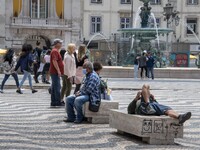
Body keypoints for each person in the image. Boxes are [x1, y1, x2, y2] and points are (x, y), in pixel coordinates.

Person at [127, 84, 192, 124]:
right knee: (145, 85)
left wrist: (154, 99)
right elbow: (129, 110)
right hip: (144, 108)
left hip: (152, 108)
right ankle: (147, 105)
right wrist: (136, 98)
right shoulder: (139, 101)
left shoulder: (152, 101)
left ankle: (180, 117)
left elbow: (156, 106)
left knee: (167, 110)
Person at [49, 38, 64, 107]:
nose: (61, 44)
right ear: (57, 44)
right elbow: (54, 61)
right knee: (57, 87)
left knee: (54, 88)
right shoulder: (55, 51)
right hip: (55, 72)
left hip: (54, 72)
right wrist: (58, 71)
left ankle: (53, 102)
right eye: (60, 43)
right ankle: (58, 102)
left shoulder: (55, 51)